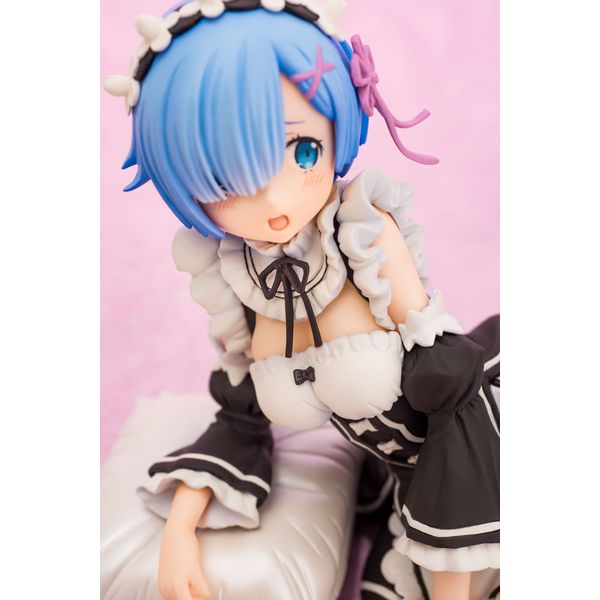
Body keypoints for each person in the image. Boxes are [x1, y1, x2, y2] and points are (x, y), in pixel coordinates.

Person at [105, 3, 500, 599]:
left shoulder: (364, 233)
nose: (274, 202)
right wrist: (180, 529)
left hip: (483, 458)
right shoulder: (235, 280)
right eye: (228, 180)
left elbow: (456, 400)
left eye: (304, 151)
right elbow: (240, 420)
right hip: (407, 494)